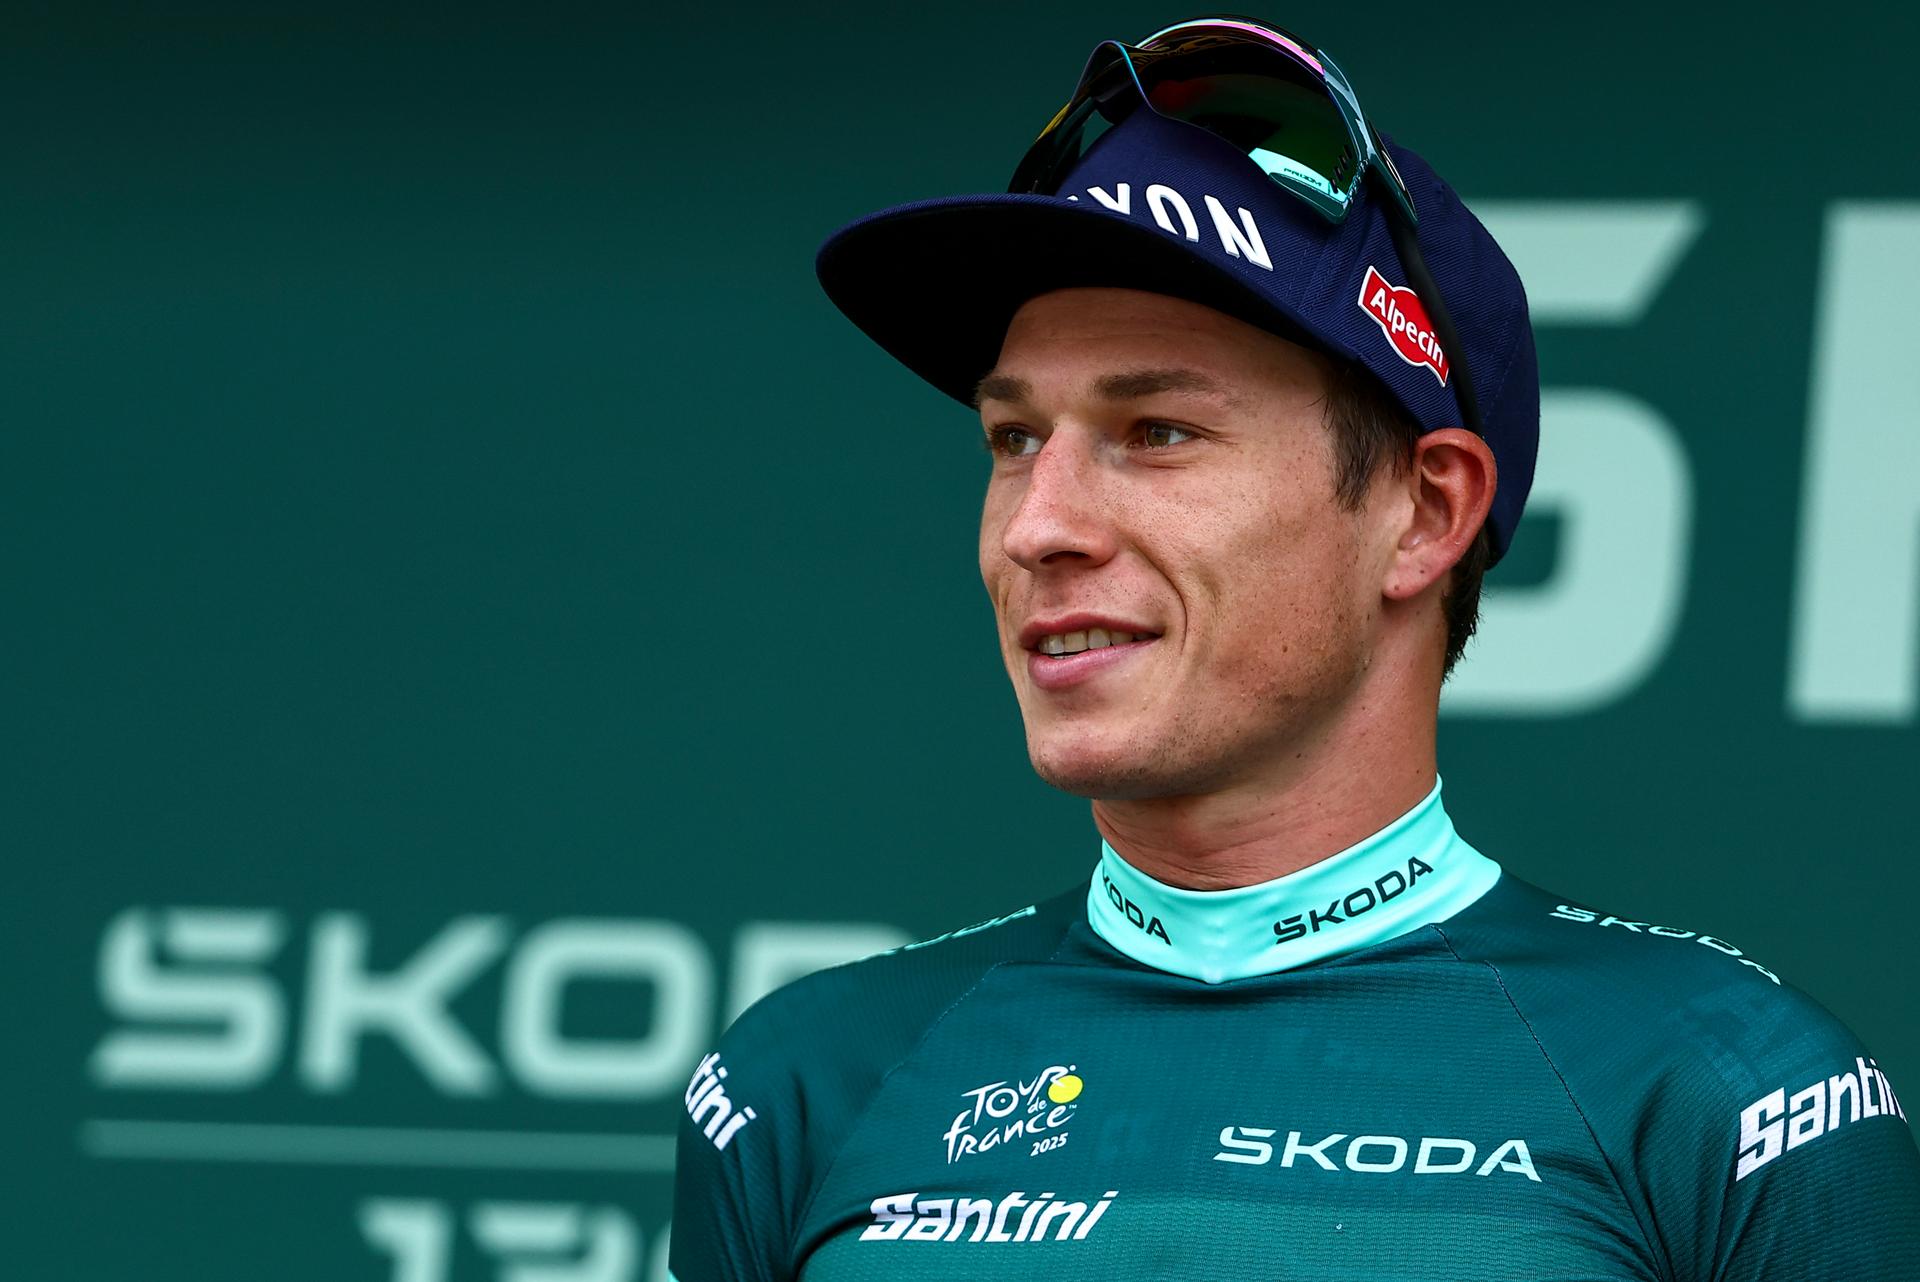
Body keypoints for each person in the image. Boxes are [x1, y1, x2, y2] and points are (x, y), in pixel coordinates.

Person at [669, 16, 1920, 1280]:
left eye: (1156, 431)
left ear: (1425, 513)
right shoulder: (804, 1085)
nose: (1036, 528)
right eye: (1011, 439)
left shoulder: (1733, 1105)